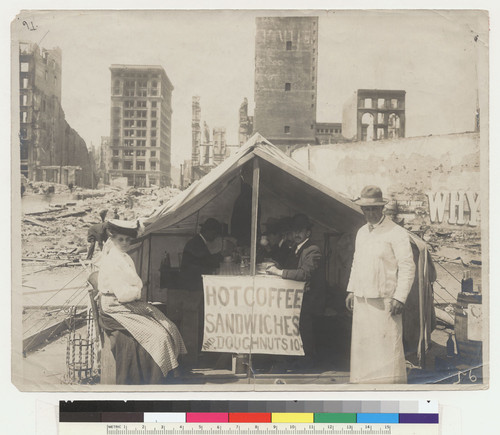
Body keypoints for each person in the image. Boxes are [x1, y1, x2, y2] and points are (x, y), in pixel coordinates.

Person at [96, 219, 186, 384]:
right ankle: (156, 379)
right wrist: (137, 292)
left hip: (127, 303)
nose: (124, 243)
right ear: (113, 239)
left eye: (128, 240)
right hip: (114, 308)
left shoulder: (124, 257)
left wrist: (136, 294)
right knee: (158, 336)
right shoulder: (112, 261)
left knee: (168, 326)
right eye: (120, 239)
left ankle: (172, 369)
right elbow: (123, 294)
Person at [345, 185, 415, 384]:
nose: (371, 213)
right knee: (363, 351)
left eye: (375, 208)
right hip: (362, 300)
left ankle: (389, 390)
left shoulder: (397, 233)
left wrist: (399, 297)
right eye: (366, 209)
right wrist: (351, 290)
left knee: (386, 351)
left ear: (382, 208)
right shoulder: (361, 233)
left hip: (385, 303)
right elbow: (356, 263)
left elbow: (408, 267)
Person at [266, 213, 324, 368]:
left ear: (308, 233)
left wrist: (279, 272)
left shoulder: (312, 249)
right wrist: (276, 265)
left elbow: (304, 274)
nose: (297, 234)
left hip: (309, 298)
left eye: (301, 231)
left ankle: (305, 359)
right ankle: (290, 354)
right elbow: (289, 266)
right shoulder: (297, 248)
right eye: (295, 231)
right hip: (298, 295)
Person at [177, 218, 224, 364]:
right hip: (192, 287)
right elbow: (207, 261)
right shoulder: (196, 243)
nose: (215, 237)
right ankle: (191, 355)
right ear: (209, 232)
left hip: (194, 284)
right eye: (215, 234)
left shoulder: (198, 242)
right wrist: (222, 256)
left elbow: (206, 259)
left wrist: (218, 256)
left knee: (196, 317)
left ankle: (196, 351)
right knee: (193, 318)